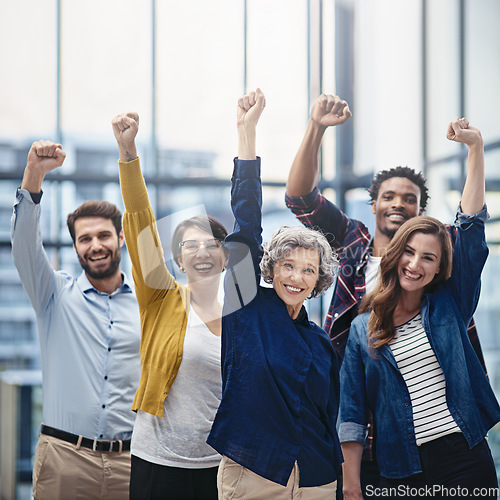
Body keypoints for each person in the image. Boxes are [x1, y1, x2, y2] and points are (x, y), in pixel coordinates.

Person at [285, 94, 488, 494]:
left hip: (442, 419)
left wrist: (474, 150)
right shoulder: (351, 240)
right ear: (374, 204)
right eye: (389, 197)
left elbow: (470, 227)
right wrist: (317, 127)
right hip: (363, 413)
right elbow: (299, 197)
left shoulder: (436, 252)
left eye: (409, 199)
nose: (398, 203)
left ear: (420, 212)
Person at [339, 118, 500, 499]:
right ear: (394, 257)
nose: (415, 264)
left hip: (465, 455)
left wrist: (475, 150)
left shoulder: (450, 304)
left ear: (440, 268)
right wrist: (352, 487)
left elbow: (471, 229)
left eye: (429, 258)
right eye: (409, 253)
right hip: (400, 467)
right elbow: (351, 412)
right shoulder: (363, 328)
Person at [207, 88, 343, 499]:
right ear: (271, 268)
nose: (297, 278)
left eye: (308, 270)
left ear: (318, 280)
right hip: (256, 472)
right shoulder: (247, 306)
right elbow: (246, 225)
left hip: (318, 475)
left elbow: (326, 418)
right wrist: (246, 135)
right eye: (288, 265)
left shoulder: (320, 341)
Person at [11, 141, 141, 499]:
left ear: (120, 238)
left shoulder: (147, 306)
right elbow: (24, 246)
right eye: (85, 239)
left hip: (132, 462)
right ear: (75, 248)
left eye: (103, 235)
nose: (95, 245)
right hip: (64, 458)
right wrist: (34, 173)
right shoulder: (53, 295)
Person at [112, 112, 228, 500]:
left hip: (219, 466)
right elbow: (141, 227)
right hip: (158, 464)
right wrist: (128, 154)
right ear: (178, 260)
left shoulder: (242, 316)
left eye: (212, 244)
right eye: (190, 245)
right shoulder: (162, 297)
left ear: (225, 257)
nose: (202, 252)